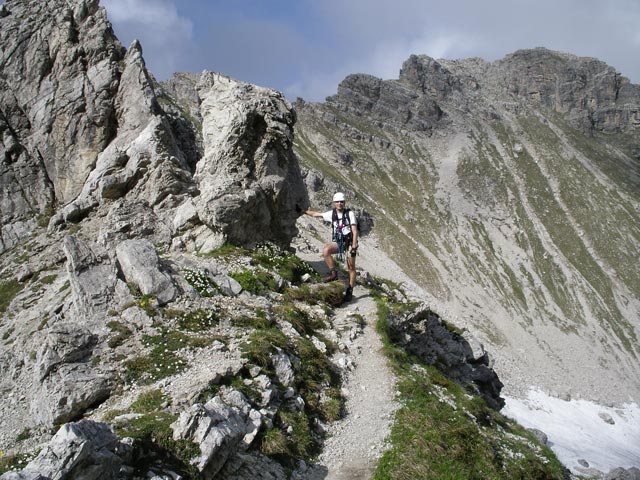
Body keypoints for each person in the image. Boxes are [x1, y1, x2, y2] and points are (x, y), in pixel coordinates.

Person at [303, 192, 358, 301]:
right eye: (337, 202)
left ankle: (350, 290)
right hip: (338, 243)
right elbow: (316, 214)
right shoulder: (331, 214)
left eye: (341, 202)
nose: (339, 204)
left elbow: (354, 230)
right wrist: (303, 211)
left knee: (351, 267)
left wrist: (354, 244)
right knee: (326, 250)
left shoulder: (349, 214)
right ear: (333, 203)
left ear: (344, 203)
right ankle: (333, 274)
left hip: (349, 243)